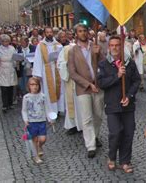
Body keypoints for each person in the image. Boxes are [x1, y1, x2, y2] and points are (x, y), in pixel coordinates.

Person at [97, 35, 141, 172]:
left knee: (128, 133)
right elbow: (101, 83)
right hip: (112, 105)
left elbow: (136, 81)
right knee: (115, 132)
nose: (115, 48)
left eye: (117, 45)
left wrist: (129, 95)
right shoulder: (103, 65)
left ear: (121, 47)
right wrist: (117, 76)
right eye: (112, 45)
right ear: (109, 48)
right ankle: (111, 157)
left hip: (128, 105)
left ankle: (125, 161)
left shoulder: (129, 63)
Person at [67, 23, 105, 158]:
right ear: (76, 34)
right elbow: (72, 72)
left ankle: (94, 136)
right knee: (87, 118)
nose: (83, 33)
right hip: (83, 88)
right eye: (80, 31)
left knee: (98, 115)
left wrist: (99, 53)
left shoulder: (95, 47)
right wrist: (88, 84)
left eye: (85, 31)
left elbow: (104, 64)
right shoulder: (72, 51)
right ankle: (90, 145)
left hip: (98, 86)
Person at [32, 27, 65, 115]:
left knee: (59, 89)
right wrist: (37, 74)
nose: (49, 34)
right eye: (47, 32)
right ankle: (51, 111)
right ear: (44, 34)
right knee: (48, 91)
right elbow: (38, 59)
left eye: (50, 32)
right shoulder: (40, 45)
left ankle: (59, 109)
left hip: (56, 69)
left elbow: (62, 58)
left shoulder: (58, 45)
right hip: (46, 70)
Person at [21, 77, 50, 164]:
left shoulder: (43, 96)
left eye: (36, 84)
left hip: (41, 120)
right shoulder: (26, 97)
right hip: (31, 121)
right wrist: (25, 120)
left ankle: (40, 146)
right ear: (29, 86)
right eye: (32, 85)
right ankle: (36, 156)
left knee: (42, 139)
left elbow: (46, 108)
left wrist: (49, 118)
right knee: (34, 139)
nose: (35, 87)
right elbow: (24, 110)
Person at [57, 39, 83, 135]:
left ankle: (84, 125)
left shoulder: (84, 49)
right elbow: (60, 64)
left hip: (81, 81)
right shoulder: (66, 50)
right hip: (70, 80)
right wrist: (67, 64)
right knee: (71, 104)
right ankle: (73, 125)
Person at [0, 34, 18, 113]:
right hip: (2, 69)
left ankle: (10, 103)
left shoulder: (12, 48)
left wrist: (16, 62)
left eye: (7, 41)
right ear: (1, 41)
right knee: (3, 88)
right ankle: (5, 104)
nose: (6, 43)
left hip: (10, 68)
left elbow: (15, 58)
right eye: (4, 41)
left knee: (10, 87)